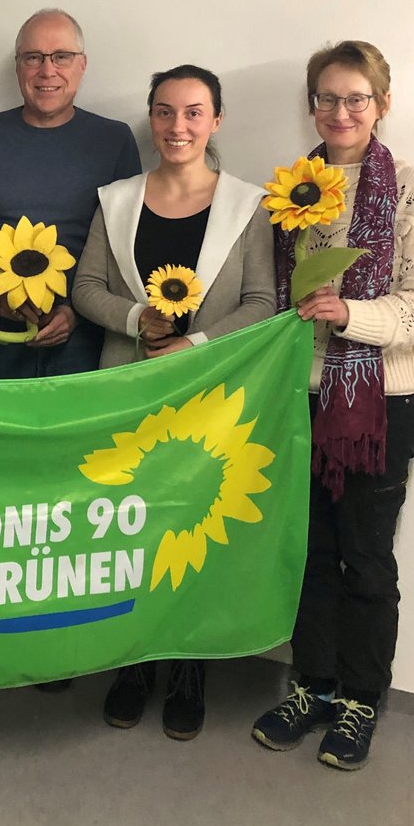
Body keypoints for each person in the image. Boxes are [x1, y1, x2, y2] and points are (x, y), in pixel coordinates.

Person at [251, 41, 414, 770]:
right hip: (296, 399)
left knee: (365, 558)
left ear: (381, 104)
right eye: (328, 98)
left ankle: (361, 700)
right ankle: (312, 686)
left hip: (378, 409)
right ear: (312, 105)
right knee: (307, 553)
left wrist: (350, 314)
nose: (340, 112)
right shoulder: (290, 193)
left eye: (356, 98)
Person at [73, 63, 276, 739]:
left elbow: (262, 302)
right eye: (165, 111)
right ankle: (132, 662)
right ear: (151, 117)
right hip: (127, 390)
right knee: (130, 528)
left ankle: (189, 666)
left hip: (209, 395)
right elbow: (86, 287)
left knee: (194, 530)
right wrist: (137, 319)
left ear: (216, 120)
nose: (178, 126)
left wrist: (194, 343)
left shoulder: (248, 206)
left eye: (193, 112)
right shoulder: (117, 200)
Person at [0, 8, 141, 381]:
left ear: (82, 64)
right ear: (18, 66)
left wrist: (77, 309)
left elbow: (124, 246)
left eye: (61, 57)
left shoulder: (114, 140)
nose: (47, 70)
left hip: (87, 341)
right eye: (33, 57)